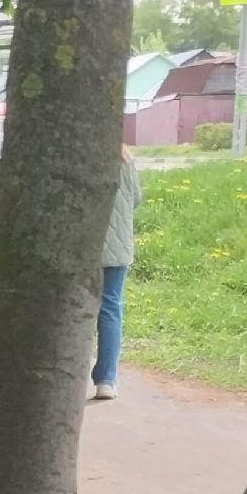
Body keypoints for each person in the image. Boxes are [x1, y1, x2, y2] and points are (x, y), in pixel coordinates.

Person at [94, 146, 143, 401]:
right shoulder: (125, 158)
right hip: (118, 248)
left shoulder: (75, 154)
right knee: (111, 307)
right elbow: (136, 198)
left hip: (83, 248)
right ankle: (107, 379)